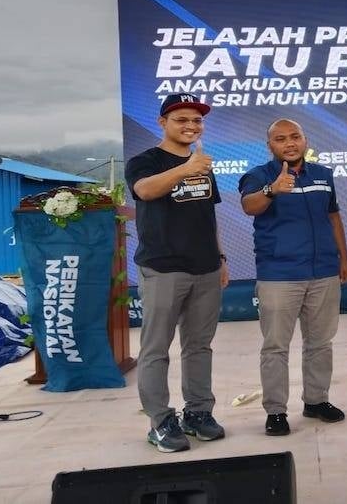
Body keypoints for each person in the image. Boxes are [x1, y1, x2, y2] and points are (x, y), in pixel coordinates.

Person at [125, 93, 229, 453]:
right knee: (156, 349)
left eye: (197, 120)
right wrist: (185, 169)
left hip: (205, 267)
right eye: (182, 119)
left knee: (199, 345)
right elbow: (144, 190)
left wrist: (221, 257)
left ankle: (198, 412)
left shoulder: (202, 165)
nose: (191, 126)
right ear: (163, 123)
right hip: (163, 267)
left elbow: (207, 215)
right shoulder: (145, 161)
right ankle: (160, 420)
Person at [239, 119, 347, 437]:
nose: (289, 143)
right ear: (270, 145)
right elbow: (250, 206)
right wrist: (272, 190)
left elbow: (333, 217)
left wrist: (343, 258)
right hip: (280, 275)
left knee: (320, 342)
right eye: (280, 139)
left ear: (305, 140)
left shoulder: (323, 175)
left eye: (295, 137)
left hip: (324, 272)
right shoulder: (259, 175)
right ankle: (275, 411)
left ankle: (316, 401)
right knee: (275, 346)